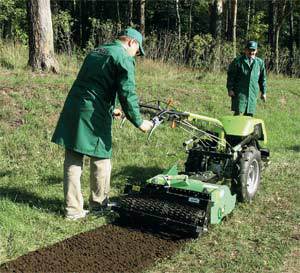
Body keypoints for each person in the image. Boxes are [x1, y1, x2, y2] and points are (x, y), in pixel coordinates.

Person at [51, 28, 153, 220]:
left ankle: (73, 210)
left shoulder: (98, 51)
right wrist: (139, 122)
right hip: (93, 113)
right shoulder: (123, 57)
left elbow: (96, 82)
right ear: (132, 43)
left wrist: (112, 107)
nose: (136, 56)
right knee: (102, 157)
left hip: (75, 106)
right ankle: (99, 205)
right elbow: (127, 93)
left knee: (73, 157)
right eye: (138, 52)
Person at [226, 40, 267, 116]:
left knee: (249, 115)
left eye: (253, 50)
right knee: (238, 114)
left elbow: (262, 79)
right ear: (245, 50)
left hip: (252, 93)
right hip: (239, 93)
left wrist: (263, 92)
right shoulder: (238, 61)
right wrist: (230, 89)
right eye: (249, 50)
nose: (251, 52)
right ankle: (235, 128)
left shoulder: (260, 63)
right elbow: (231, 76)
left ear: (256, 51)